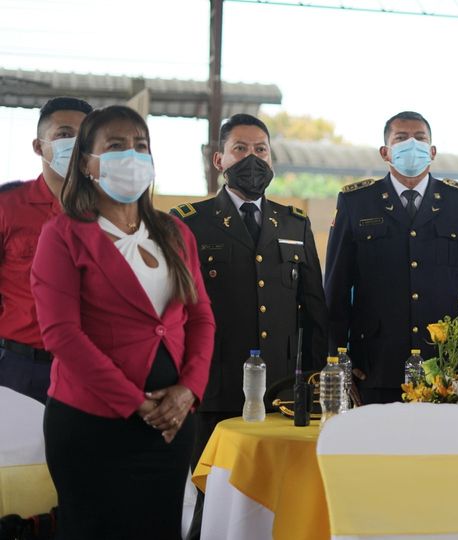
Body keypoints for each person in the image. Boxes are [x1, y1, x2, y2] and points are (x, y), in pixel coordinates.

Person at [30, 105, 215, 538]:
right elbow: (62, 335)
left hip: (171, 426)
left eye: (140, 145)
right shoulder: (63, 234)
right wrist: (137, 403)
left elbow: (201, 317)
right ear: (86, 163)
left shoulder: (175, 232)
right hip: (92, 425)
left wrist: (189, 389)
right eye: (115, 145)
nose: (131, 155)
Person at [171, 113, 327, 538]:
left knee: (279, 499)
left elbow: (315, 309)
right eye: (240, 149)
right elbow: (175, 310)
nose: (252, 158)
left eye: (261, 149)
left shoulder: (294, 223)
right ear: (219, 159)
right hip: (214, 388)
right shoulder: (189, 221)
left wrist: (314, 381)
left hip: (282, 391)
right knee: (213, 497)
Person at [325, 111, 458, 404]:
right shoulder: (357, 202)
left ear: (432, 151)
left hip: (446, 367)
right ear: (385, 152)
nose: (412, 145)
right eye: (401, 138)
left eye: (420, 138)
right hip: (375, 364)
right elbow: (336, 288)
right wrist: (338, 358)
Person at [0, 97, 91, 403]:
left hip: (90, 370)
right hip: (18, 368)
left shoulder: (113, 212)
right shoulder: (8, 206)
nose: (75, 144)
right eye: (64, 134)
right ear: (38, 147)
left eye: (84, 135)